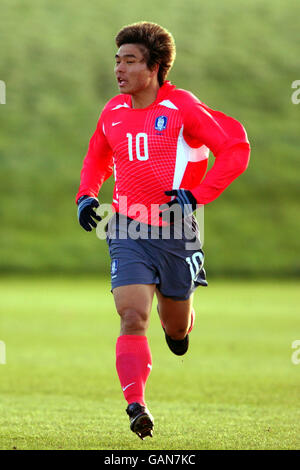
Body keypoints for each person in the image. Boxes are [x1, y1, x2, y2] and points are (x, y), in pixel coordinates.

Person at [76, 21, 250, 440]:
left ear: (154, 68)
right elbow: (96, 157)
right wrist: (86, 195)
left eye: (130, 61)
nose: (119, 68)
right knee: (132, 315)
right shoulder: (112, 111)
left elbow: (235, 149)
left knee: (174, 324)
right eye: (117, 60)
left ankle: (182, 327)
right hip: (126, 227)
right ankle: (136, 404)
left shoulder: (182, 107)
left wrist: (197, 195)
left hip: (177, 232)